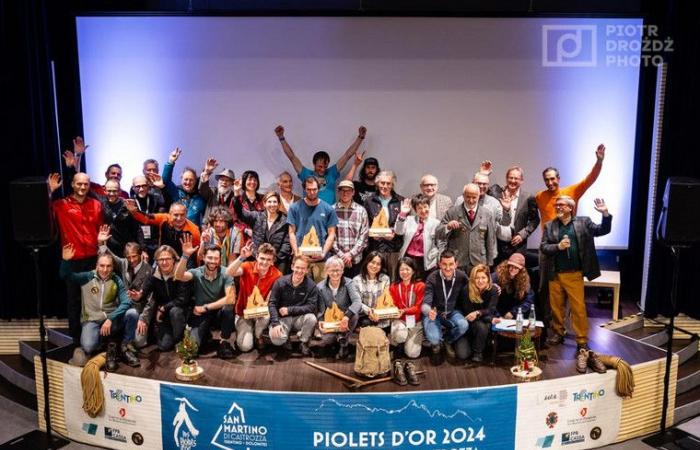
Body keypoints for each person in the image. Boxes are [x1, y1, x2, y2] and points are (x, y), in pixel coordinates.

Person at [540, 196, 612, 351]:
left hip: (574, 274)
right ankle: (558, 332)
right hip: (555, 274)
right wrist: (558, 247)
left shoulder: (583, 222)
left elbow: (602, 230)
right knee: (556, 308)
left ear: (570, 208)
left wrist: (605, 214)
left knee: (578, 309)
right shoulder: (549, 225)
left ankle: (581, 340)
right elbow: (544, 247)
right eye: (556, 205)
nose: (558, 207)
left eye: (561, 205)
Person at [48, 172, 103, 343]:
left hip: (93, 259)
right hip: (72, 260)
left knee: (94, 299)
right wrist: (49, 191)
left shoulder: (96, 204)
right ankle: (75, 340)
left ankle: (94, 338)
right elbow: (41, 211)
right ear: (72, 184)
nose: (82, 187)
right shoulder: (60, 205)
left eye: (85, 184)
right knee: (74, 300)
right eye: (79, 184)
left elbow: (101, 229)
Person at [60, 244, 134, 370]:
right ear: (97, 266)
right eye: (102, 266)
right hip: (92, 320)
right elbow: (66, 276)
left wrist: (110, 318)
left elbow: (126, 302)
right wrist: (66, 261)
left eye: (108, 266)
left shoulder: (117, 280)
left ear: (112, 267)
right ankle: (107, 342)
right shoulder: (87, 277)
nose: (105, 269)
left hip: (110, 321)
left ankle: (124, 345)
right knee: (88, 347)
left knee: (132, 313)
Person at [176, 236, 237, 359]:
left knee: (228, 308)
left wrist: (205, 307)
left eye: (216, 258)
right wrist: (185, 256)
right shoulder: (197, 272)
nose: (213, 261)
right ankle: (205, 335)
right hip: (201, 315)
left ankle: (224, 341)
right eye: (210, 257)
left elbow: (230, 299)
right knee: (192, 351)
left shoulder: (226, 273)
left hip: (217, 312)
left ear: (220, 259)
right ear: (203, 257)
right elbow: (179, 276)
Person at [276, 125, 367, 204]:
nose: (323, 169)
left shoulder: (332, 173)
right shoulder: (306, 174)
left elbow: (347, 155)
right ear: (314, 164)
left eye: (325, 166)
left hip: (329, 216)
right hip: (310, 215)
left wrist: (360, 137)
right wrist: (281, 138)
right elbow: (291, 157)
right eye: (320, 166)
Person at [97, 226, 151, 354]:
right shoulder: (123, 263)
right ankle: (122, 343)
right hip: (123, 307)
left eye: (134, 256)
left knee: (139, 343)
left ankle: (127, 341)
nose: (131, 260)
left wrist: (144, 318)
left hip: (139, 310)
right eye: (129, 257)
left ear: (140, 255)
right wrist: (101, 243)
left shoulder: (149, 270)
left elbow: (151, 300)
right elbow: (110, 255)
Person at [226, 242, 282, 353]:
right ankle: (246, 330)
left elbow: (272, 298)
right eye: (262, 258)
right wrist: (241, 257)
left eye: (268, 259)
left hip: (261, 312)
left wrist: (264, 305)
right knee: (245, 347)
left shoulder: (277, 275)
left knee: (267, 314)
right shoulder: (247, 266)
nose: (265, 262)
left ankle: (258, 335)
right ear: (256, 256)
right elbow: (228, 273)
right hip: (243, 313)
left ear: (272, 261)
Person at [535, 144, 606, 228]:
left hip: (569, 238)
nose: (550, 183)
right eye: (546, 180)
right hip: (548, 240)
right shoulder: (539, 196)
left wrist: (599, 162)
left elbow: (589, 180)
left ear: (558, 179)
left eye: (552, 179)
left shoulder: (572, 191)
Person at [137, 245, 190, 351]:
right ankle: (169, 333)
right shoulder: (153, 273)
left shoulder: (182, 272)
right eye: (161, 259)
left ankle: (180, 340)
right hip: (163, 316)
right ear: (157, 261)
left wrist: (163, 308)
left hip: (180, 311)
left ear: (174, 259)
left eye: (167, 259)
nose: (164, 262)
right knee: (164, 346)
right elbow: (144, 291)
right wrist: (139, 296)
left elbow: (183, 299)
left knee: (175, 312)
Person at [483, 164, 540, 263]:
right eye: (510, 177)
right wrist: (483, 174)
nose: (513, 181)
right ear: (506, 178)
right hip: (497, 242)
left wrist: (522, 235)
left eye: (516, 178)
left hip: (517, 244)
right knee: (497, 273)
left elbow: (535, 220)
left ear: (522, 181)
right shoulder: (496, 193)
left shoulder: (528, 198)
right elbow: (479, 188)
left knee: (515, 274)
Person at [421, 250, 469, 363]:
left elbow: (475, 286)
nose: (448, 268)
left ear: (456, 264)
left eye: (451, 264)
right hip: (435, 313)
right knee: (434, 338)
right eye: (444, 264)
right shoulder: (432, 278)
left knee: (463, 325)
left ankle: (447, 340)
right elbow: (425, 305)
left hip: (452, 312)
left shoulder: (461, 276)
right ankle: (437, 343)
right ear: (439, 264)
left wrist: (492, 285)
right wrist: (429, 312)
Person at [287, 176, 338, 281]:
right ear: (304, 189)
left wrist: (323, 253)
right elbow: (291, 232)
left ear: (318, 189)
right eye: (309, 189)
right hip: (301, 259)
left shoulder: (328, 209)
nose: (312, 192)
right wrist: (296, 253)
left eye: (314, 189)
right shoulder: (294, 208)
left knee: (321, 291)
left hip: (321, 260)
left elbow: (332, 234)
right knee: (299, 290)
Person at [438, 183, 497, 275]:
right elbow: (438, 233)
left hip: (479, 261)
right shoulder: (452, 212)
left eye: (474, 197)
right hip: (458, 260)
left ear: (479, 196)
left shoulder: (487, 214)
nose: (471, 200)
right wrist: (448, 226)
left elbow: (490, 240)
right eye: (468, 197)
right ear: (463, 196)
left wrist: (489, 263)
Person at [268, 255, 318, 356]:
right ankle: (285, 339)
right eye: (297, 267)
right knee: (277, 340)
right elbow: (272, 303)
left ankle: (304, 342)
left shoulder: (312, 286)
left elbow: (311, 306)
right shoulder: (280, 282)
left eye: (303, 268)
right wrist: (275, 323)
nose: (300, 271)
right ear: (292, 267)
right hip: (282, 319)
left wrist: (290, 310)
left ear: (307, 270)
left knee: (312, 318)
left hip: (299, 318)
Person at [315, 257, 362, 359]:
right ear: (326, 270)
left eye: (338, 270)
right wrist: (321, 321)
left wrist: (346, 317)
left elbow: (357, 302)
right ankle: (336, 340)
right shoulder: (320, 287)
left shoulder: (349, 283)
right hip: (330, 320)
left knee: (354, 315)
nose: (335, 273)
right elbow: (320, 309)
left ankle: (344, 342)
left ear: (342, 270)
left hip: (346, 319)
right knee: (328, 340)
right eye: (332, 270)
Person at [234, 191, 291, 274]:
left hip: (277, 261)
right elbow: (240, 213)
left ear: (279, 204)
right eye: (269, 201)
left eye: (275, 202)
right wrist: (236, 195)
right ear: (264, 203)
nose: (272, 204)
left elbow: (287, 243)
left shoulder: (285, 220)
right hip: (256, 258)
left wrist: (274, 259)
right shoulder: (257, 216)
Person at [364, 171, 404, 279]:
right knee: (374, 279)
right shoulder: (369, 201)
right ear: (377, 184)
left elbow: (404, 225)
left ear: (392, 185)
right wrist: (372, 234)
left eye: (388, 183)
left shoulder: (401, 201)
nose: (385, 186)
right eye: (382, 183)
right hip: (375, 248)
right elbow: (365, 224)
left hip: (394, 249)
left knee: (393, 280)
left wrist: (394, 234)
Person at [126, 201, 201, 260]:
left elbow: (196, 254)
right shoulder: (164, 218)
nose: (179, 218)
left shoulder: (194, 230)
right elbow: (147, 218)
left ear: (186, 214)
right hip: (163, 256)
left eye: (182, 215)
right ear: (170, 214)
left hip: (183, 260)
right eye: (176, 215)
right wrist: (134, 211)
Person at [61, 136, 129, 199]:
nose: (116, 176)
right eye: (113, 173)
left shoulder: (124, 194)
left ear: (121, 177)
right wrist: (78, 155)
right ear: (106, 174)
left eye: (118, 174)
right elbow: (78, 178)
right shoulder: (96, 188)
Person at [455, 264, 498, 363]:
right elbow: (469, 314)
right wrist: (490, 319)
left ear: (488, 278)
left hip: (482, 323)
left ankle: (477, 352)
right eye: (477, 278)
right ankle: (475, 345)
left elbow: (491, 309)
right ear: (473, 279)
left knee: (483, 326)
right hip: (468, 324)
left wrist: (478, 313)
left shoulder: (493, 290)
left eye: (483, 277)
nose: (480, 281)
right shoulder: (466, 290)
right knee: (463, 355)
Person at [394, 194, 441, 280]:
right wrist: (403, 214)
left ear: (429, 206)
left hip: (427, 260)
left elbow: (440, 244)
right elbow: (398, 231)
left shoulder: (436, 223)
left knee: (424, 287)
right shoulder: (408, 220)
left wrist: (435, 258)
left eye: (425, 207)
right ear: (415, 210)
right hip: (409, 259)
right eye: (419, 208)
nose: (423, 210)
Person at [388, 258, 425, 359]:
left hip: (415, 321)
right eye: (401, 270)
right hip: (400, 319)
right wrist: (396, 312)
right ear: (398, 271)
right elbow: (392, 305)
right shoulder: (393, 286)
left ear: (413, 270)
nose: (404, 272)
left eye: (407, 269)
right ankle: (398, 345)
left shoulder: (420, 286)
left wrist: (404, 310)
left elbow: (418, 308)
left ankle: (406, 341)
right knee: (399, 335)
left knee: (413, 354)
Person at [332, 180, 369, 278]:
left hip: (356, 261)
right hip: (336, 261)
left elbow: (364, 237)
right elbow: (329, 237)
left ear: (353, 192)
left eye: (348, 190)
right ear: (338, 192)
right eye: (342, 190)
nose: (345, 193)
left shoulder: (361, 211)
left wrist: (350, 255)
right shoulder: (331, 210)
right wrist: (342, 255)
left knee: (354, 290)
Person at [99, 179, 144, 256]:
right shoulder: (100, 203)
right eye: (109, 191)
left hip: (126, 249)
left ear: (120, 191)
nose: (112, 193)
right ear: (104, 191)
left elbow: (138, 228)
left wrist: (143, 249)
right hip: (107, 248)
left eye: (115, 191)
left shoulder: (128, 205)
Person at [162, 147, 206, 226]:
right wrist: (171, 162)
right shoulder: (175, 192)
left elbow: (206, 217)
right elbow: (165, 180)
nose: (188, 182)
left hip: (193, 234)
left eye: (191, 180)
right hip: (175, 232)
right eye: (186, 179)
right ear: (181, 179)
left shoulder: (200, 198)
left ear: (195, 181)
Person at [352, 251, 392, 329]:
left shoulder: (385, 279)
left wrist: (378, 313)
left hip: (381, 314)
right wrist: (370, 311)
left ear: (381, 266)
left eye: (378, 264)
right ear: (367, 262)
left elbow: (386, 299)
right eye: (372, 262)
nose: (374, 266)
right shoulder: (356, 280)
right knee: (365, 323)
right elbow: (357, 302)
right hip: (364, 315)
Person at [130, 175, 165, 261]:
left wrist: (162, 187)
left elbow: (168, 204)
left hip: (156, 243)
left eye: (144, 186)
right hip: (139, 245)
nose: (141, 189)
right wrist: (141, 249)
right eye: (138, 186)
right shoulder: (130, 203)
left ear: (148, 186)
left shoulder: (155, 200)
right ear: (133, 188)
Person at [491, 253, 534, 321]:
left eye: (516, 267)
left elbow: (529, 300)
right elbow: (489, 300)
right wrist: (497, 315)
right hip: (496, 311)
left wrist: (514, 312)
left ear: (521, 269)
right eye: (511, 266)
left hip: (513, 313)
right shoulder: (496, 276)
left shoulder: (524, 280)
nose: (512, 269)